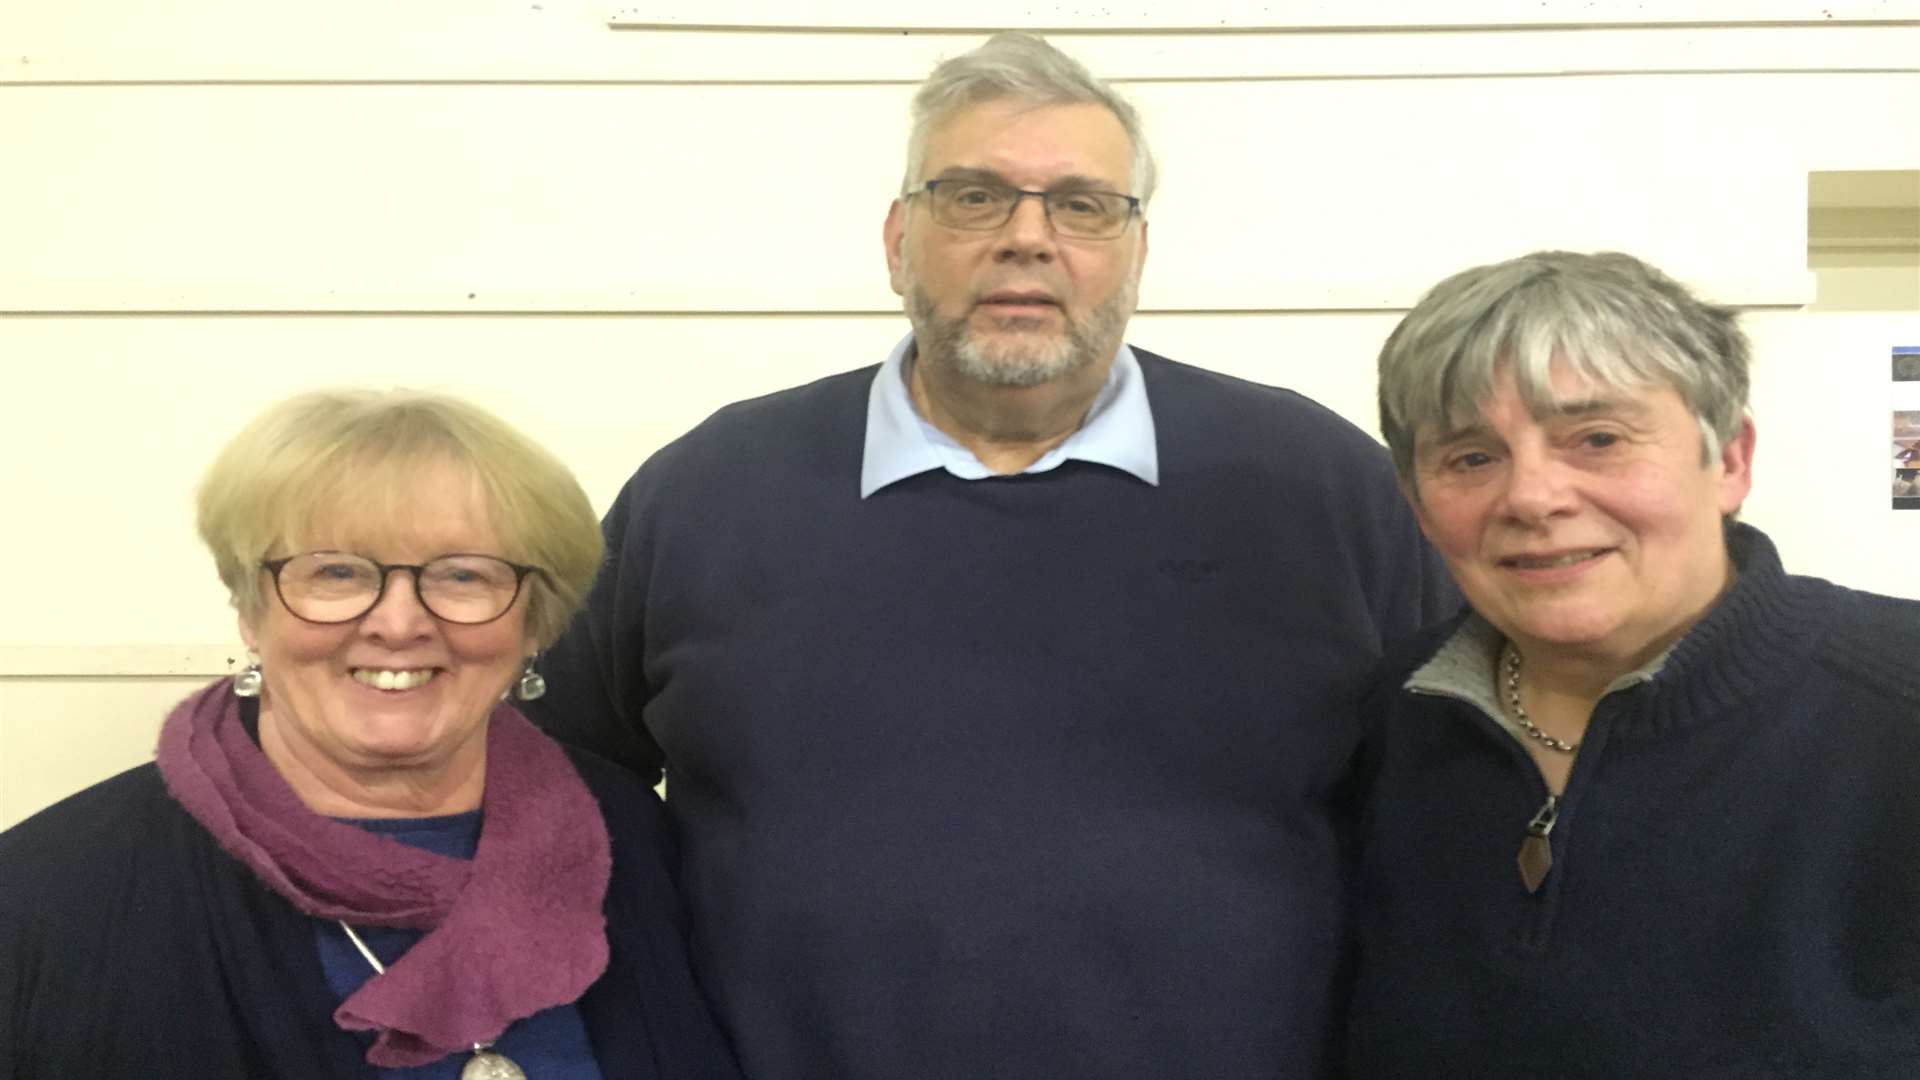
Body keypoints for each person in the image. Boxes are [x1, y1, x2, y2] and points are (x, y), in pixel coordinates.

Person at [525, 30, 1455, 1080]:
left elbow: (1453, 810)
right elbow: (546, 786)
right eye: (972, 197)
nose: (1027, 237)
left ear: (1137, 250)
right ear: (896, 239)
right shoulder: (706, 491)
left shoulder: (1324, 487)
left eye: (1081, 203)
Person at [0, 391, 740, 1079]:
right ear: (250, 609)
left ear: (535, 623)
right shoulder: (44, 899)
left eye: (462, 576)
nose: (398, 622)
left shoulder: (646, 846)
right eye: (338, 572)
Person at [1349, 250, 1920, 1077]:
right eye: (1471, 457)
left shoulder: (1898, 706)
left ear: (1728, 461)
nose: (1532, 498)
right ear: (1420, 509)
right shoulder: (1384, 721)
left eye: (1599, 438)